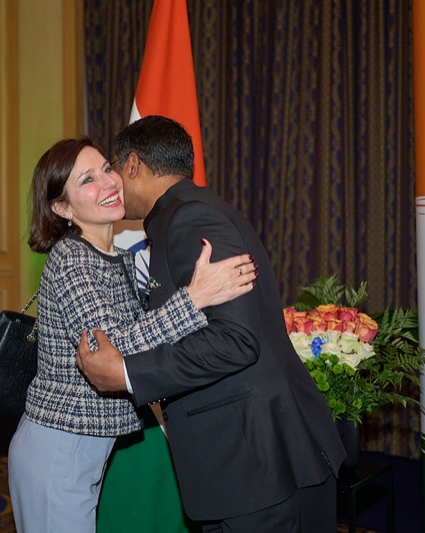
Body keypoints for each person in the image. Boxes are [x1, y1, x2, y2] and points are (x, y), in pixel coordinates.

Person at [77, 116, 347, 533]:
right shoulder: (184, 214)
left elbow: (235, 339)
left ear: (133, 164)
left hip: (257, 467)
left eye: (112, 168)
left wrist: (127, 373)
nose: (111, 182)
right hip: (251, 466)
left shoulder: (190, 218)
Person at [7, 137, 257, 533]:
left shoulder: (120, 259)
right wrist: (194, 298)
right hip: (58, 448)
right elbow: (111, 350)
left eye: (107, 168)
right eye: (87, 179)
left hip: (86, 450)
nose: (109, 182)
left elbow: (149, 340)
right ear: (62, 208)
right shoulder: (70, 258)